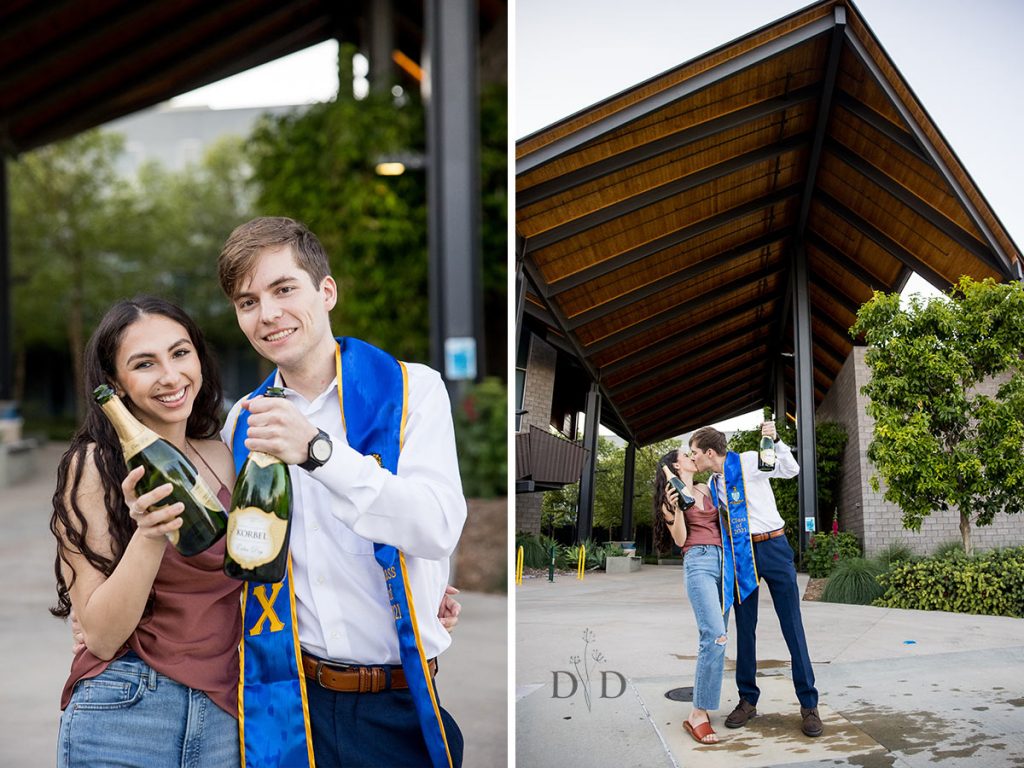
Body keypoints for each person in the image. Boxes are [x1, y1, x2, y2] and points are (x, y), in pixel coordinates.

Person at [216, 216, 467, 767]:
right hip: (291, 703)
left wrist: (319, 453)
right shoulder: (242, 422)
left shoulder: (411, 389)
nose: (268, 314)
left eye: (284, 289)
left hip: (398, 703)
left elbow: (437, 526)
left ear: (326, 291)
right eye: (248, 301)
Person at [51, 296, 242, 767]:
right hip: (126, 707)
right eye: (144, 364)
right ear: (115, 384)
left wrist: (419, 594)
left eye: (180, 353)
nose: (171, 376)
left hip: (227, 711)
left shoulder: (227, 455)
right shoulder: (95, 467)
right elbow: (99, 636)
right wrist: (150, 533)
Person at [688, 423, 823, 738]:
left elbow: (790, 470)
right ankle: (748, 699)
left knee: (792, 625)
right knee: (744, 629)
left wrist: (775, 441)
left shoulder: (749, 460)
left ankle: (809, 704)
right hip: (741, 555)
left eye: (695, 452)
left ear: (709, 452)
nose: (693, 457)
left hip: (773, 546)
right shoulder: (711, 481)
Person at [653, 450, 729, 745]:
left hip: (724, 563)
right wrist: (678, 508)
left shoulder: (705, 488)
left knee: (720, 639)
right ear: (675, 466)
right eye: (687, 455)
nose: (692, 457)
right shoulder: (669, 501)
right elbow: (681, 540)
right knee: (715, 635)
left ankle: (704, 708)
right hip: (698, 561)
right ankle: (697, 714)